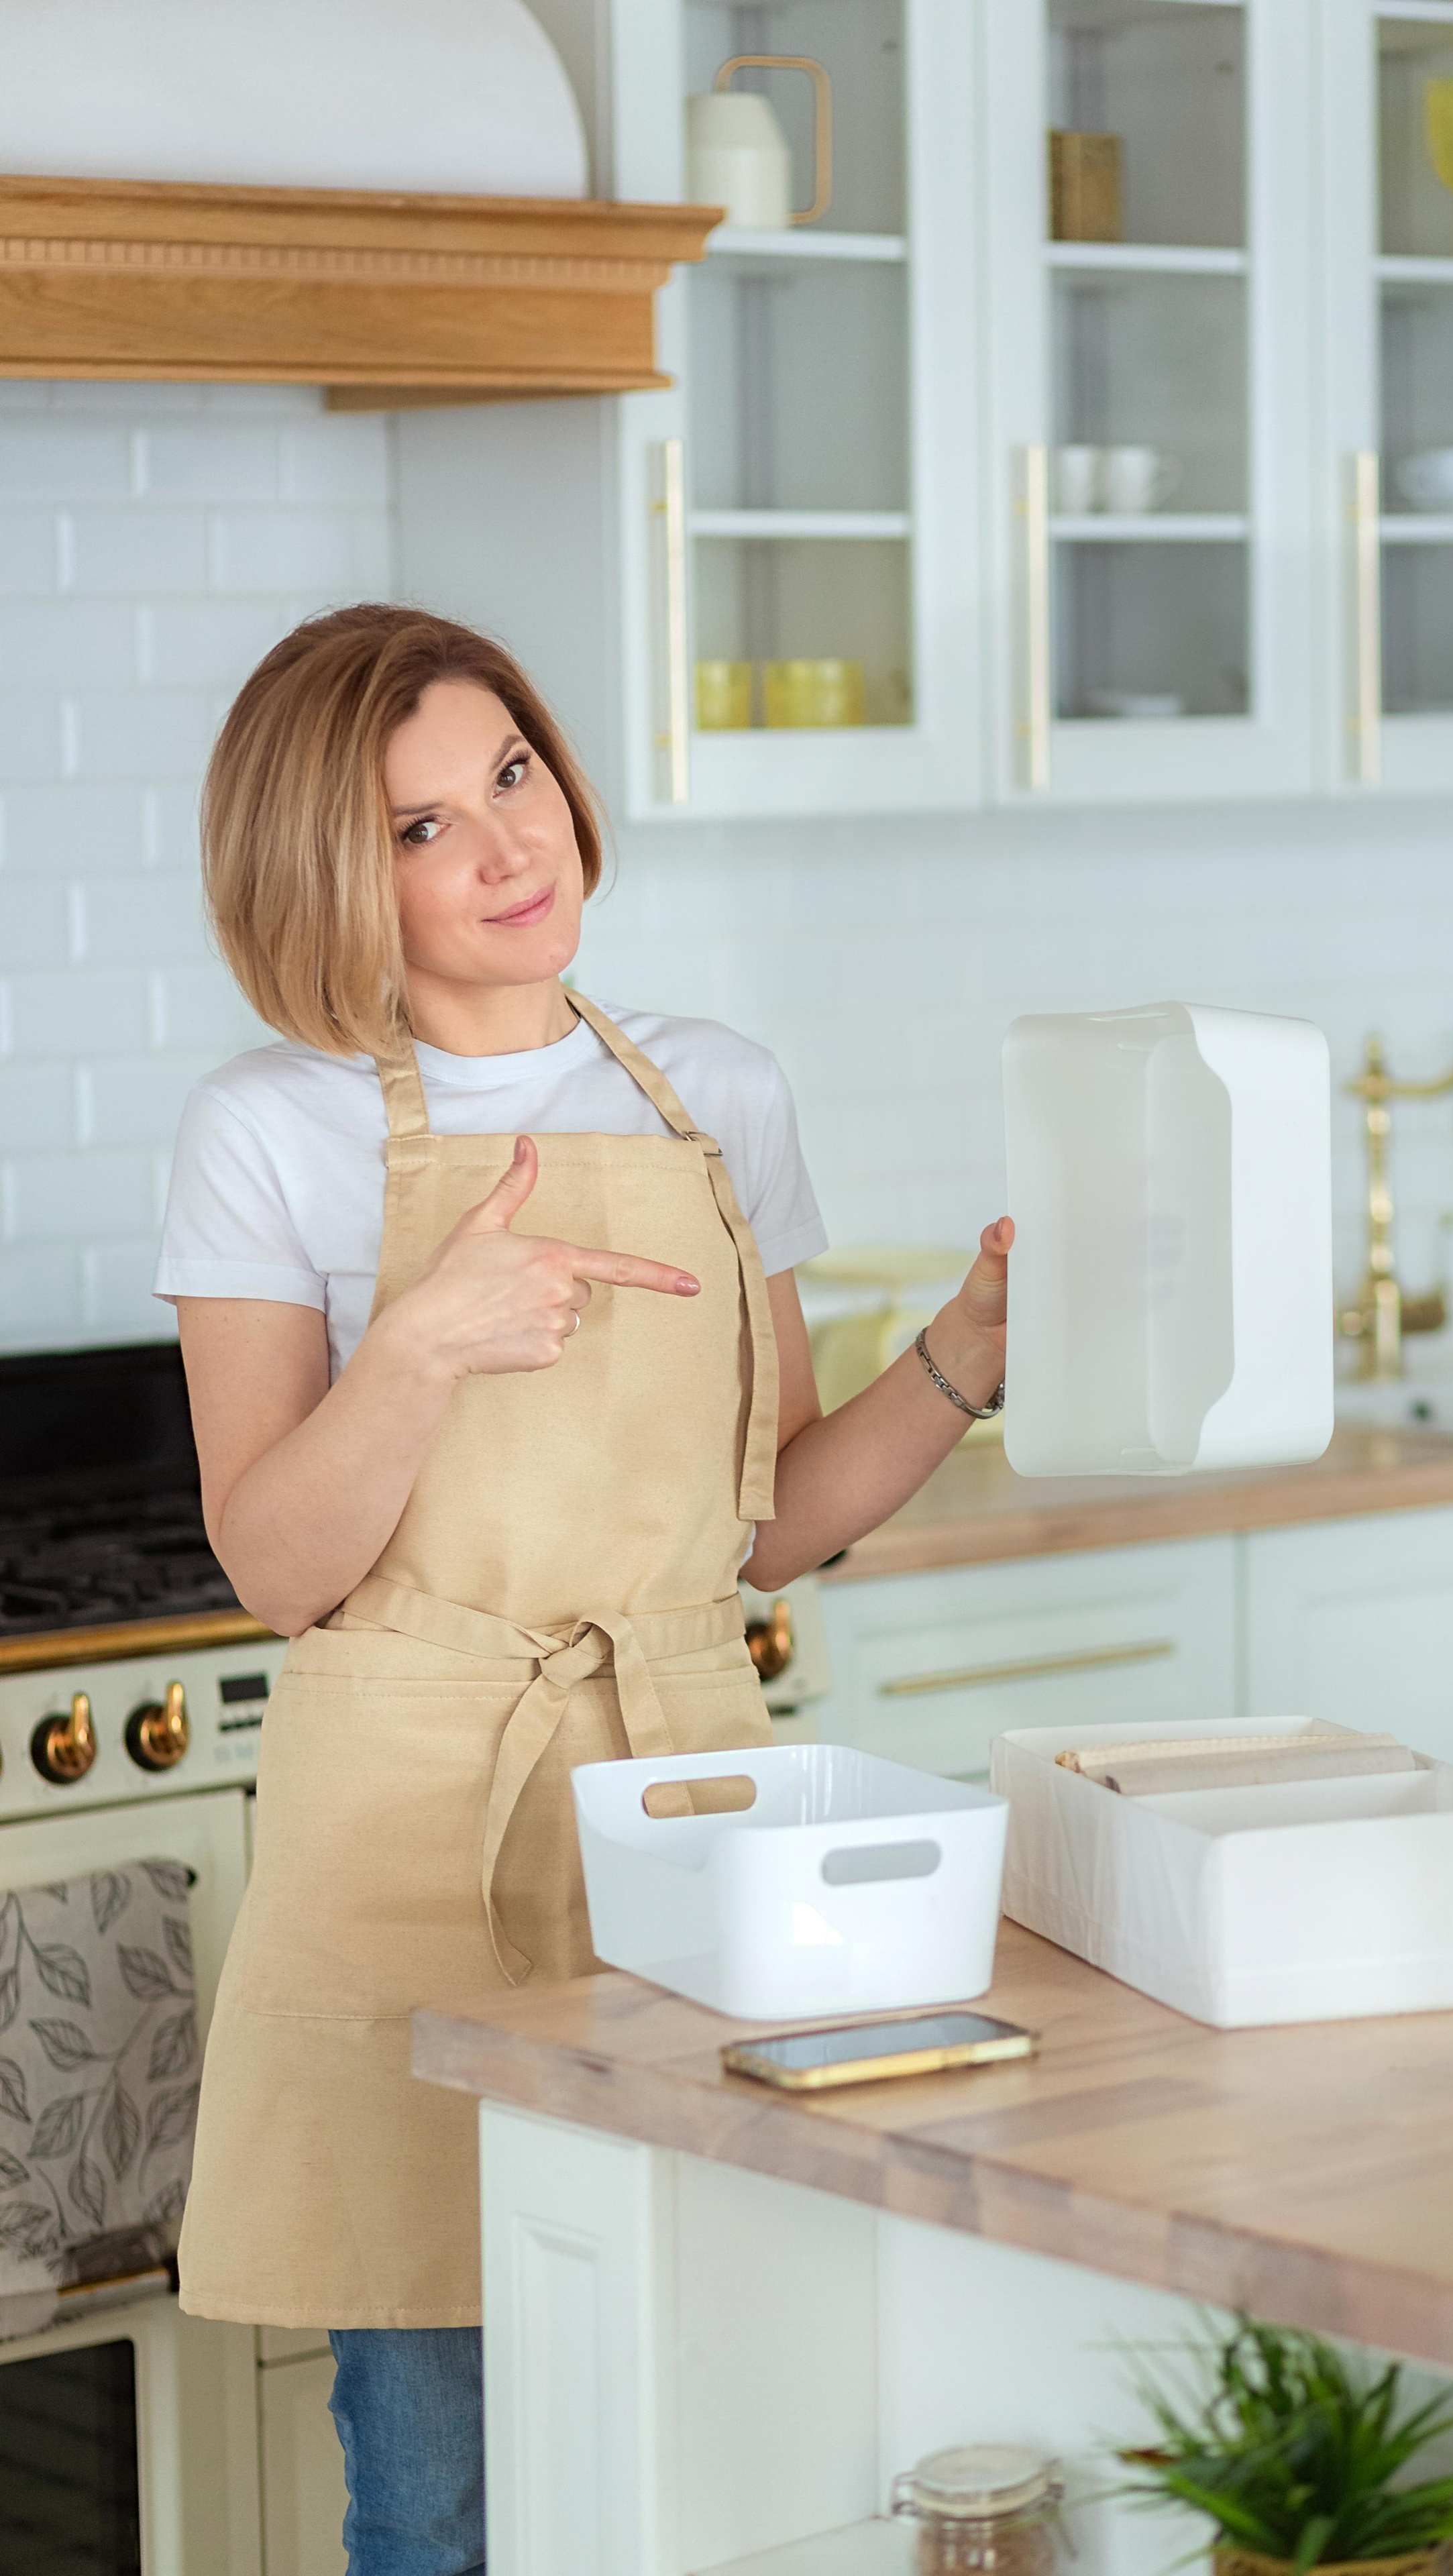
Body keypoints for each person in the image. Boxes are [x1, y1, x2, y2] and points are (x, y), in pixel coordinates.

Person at [156, 604, 1010, 2576]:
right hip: (409, 1824)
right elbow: (274, 1563)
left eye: (511, 777)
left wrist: (967, 1352)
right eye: (419, 829)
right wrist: (423, 1345)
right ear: (325, 876)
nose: (506, 850)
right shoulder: (265, 1127)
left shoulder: (712, 1092)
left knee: (714, 2401)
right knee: (441, 2464)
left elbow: (768, 1517)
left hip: (695, 1791)